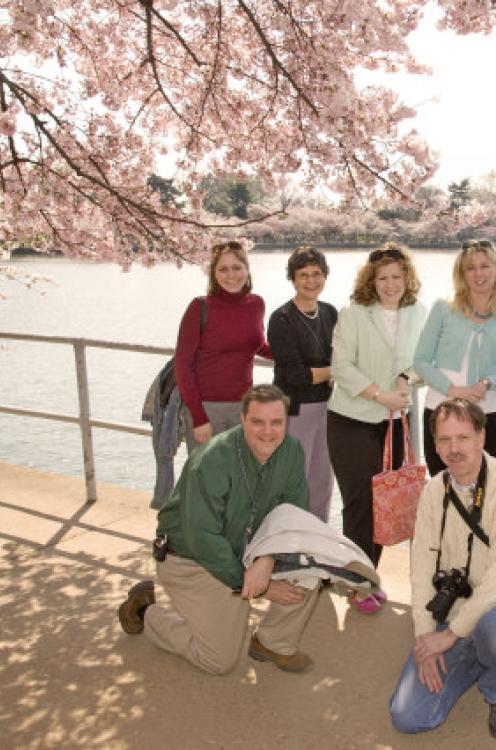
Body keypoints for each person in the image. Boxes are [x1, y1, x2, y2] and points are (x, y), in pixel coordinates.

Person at [117, 385, 320, 675]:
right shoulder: (213, 459)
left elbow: (294, 515)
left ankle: (272, 642)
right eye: (257, 422)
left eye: (277, 422)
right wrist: (257, 584)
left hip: (246, 549)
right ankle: (144, 610)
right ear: (242, 419)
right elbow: (204, 540)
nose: (268, 432)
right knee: (219, 659)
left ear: (287, 422)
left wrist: (267, 561)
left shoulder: (291, 451)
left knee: (311, 568)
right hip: (191, 559)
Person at [389, 399, 496, 740]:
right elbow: (420, 569)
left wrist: (447, 637)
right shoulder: (435, 490)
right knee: (409, 716)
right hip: (457, 611)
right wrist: (424, 638)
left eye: (463, 438)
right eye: (444, 440)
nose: (454, 449)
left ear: (481, 437)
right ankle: (479, 655)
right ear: (434, 445)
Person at [327, 242, 426, 612]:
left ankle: (368, 575)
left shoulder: (420, 312)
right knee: (359, 505)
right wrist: (379, 395)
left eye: (397, 276)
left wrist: (407, 377)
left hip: (397, 421)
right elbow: (342, 366)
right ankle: (358, 583)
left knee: (385, 502)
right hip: (352, 419)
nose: (390, 284)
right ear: (371, 280)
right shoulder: (353, 313)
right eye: (382, 277)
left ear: (407, 278)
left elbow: (425, 360)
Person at [413, 239, 496, 476]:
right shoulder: (443, 308)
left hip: (486, 413)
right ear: (461, 274)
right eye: (470, 268)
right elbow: (420, 360)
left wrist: (487, 382)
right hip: (440, 411)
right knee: (444, 490)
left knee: (483, 491)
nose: (478, 273)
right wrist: (454, 391)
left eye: (484, 266)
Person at [174, 241, 270, 453]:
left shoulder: (256, 304)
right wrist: (198, 417)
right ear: (214, 274)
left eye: (237, 268)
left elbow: (258, 344)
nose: (231, 275)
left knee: (240, 478)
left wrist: (298, 354)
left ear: (247, 270)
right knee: (207, 480)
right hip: (207, 409)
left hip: (244, 408)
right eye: (223, 269)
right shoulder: (200, 307)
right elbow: (182, 365)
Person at [268, 246, 338, 521]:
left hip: (330, 408)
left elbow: (344, 354)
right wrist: (335, 371)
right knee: (294, 481)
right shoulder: (281, 318)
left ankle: (316, 540)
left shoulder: (331, 313)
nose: (311, 281)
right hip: (296, 410)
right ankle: (287, 543)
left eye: (317, 274)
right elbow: (294, 375)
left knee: (322, 481)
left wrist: (333, 371)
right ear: (293, 279)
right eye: (303, 275)